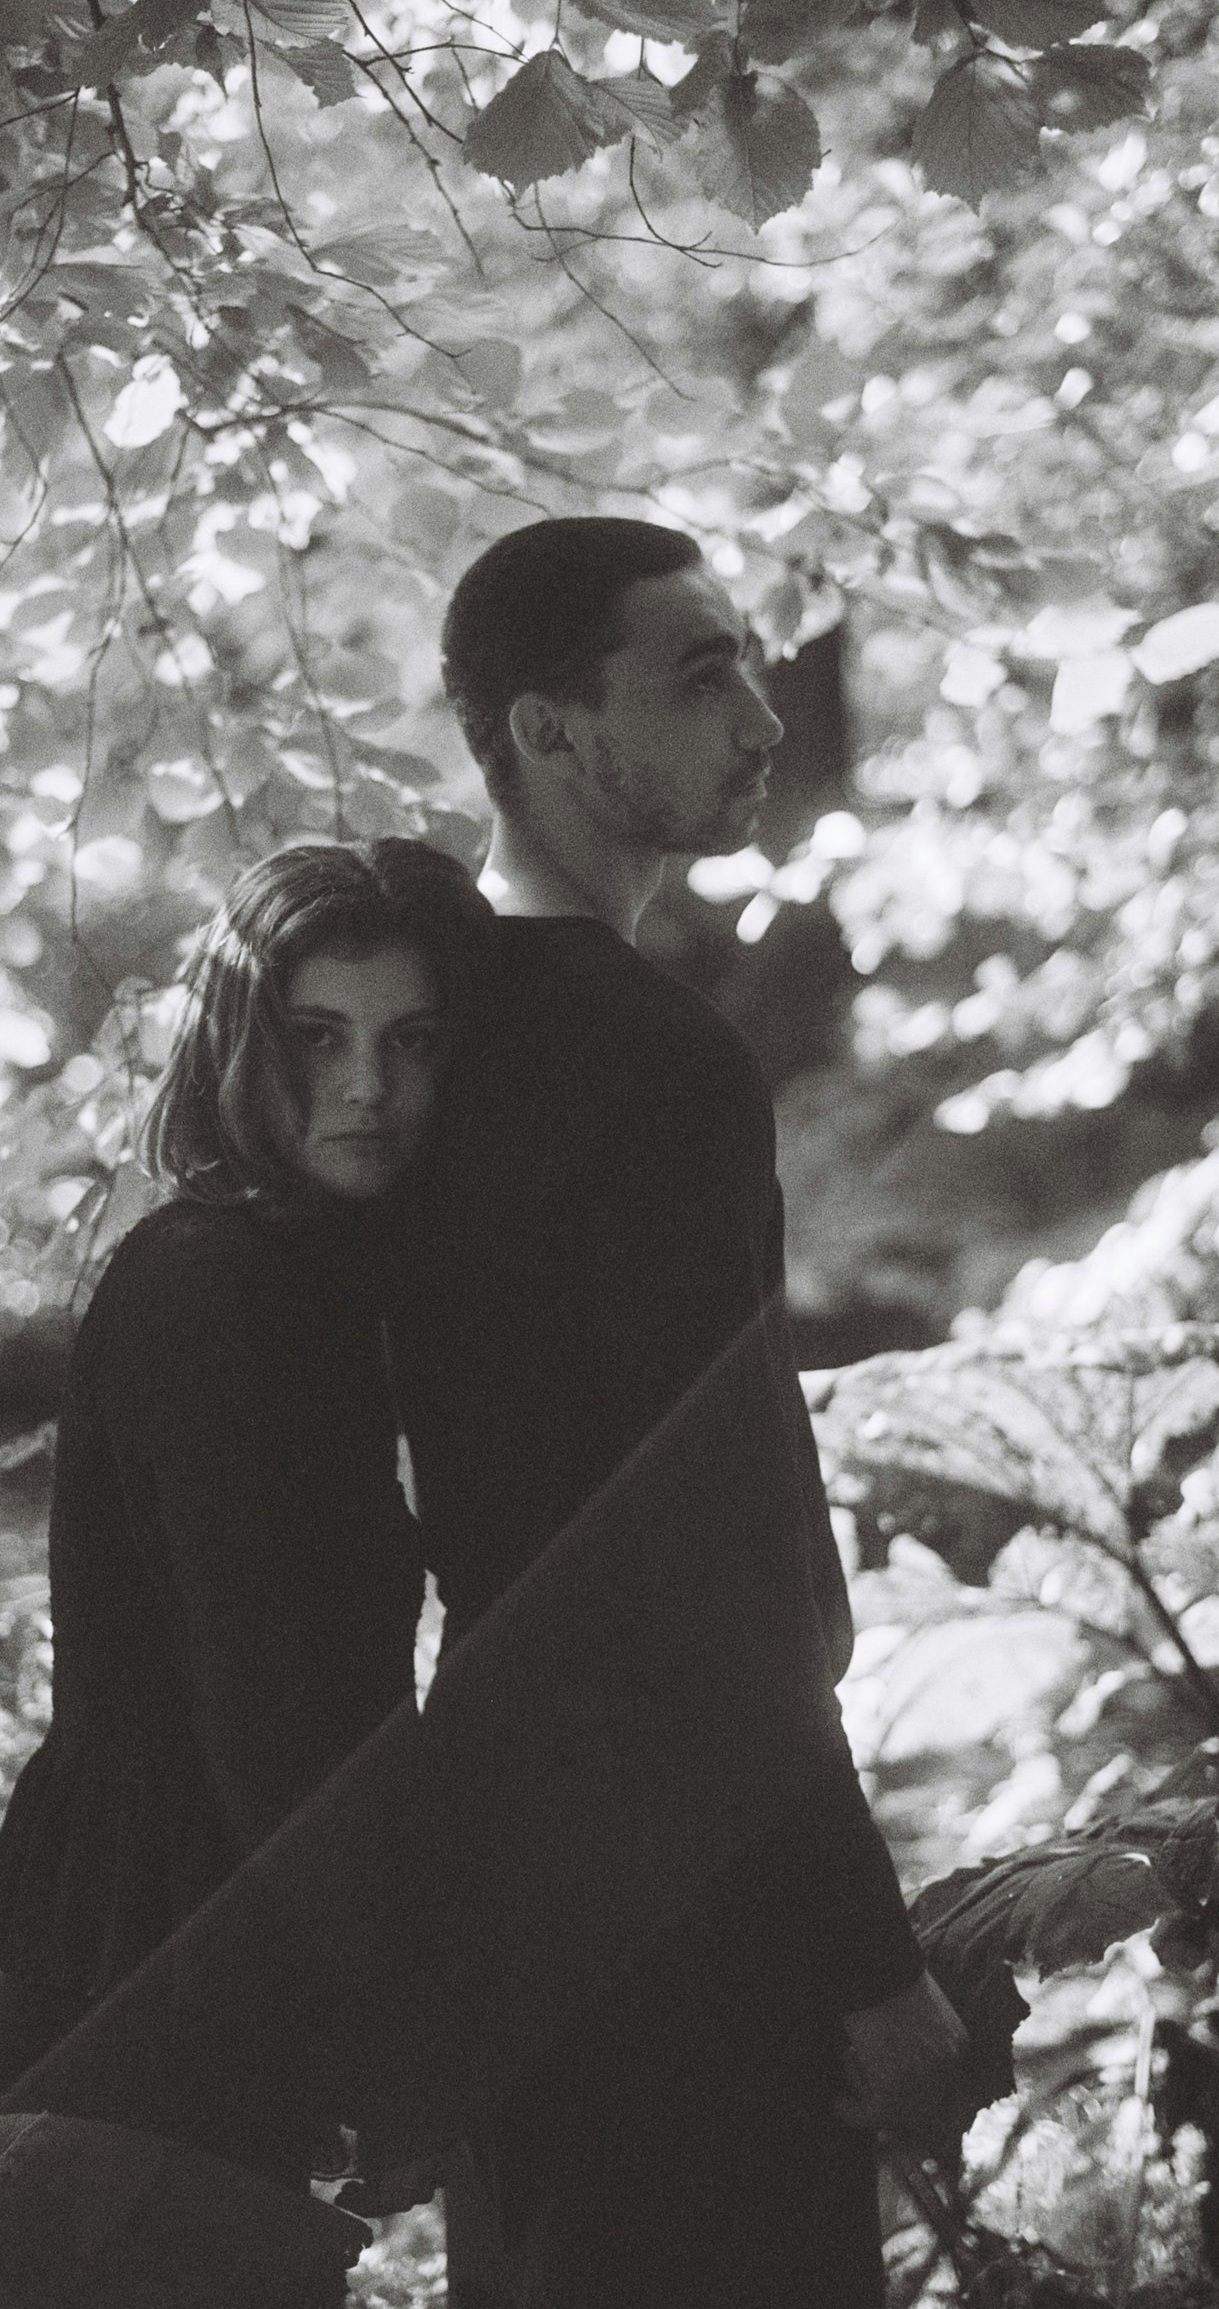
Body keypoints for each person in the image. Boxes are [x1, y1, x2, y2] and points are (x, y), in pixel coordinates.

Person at [390, 518, 968, 2307]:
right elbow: (706, 1560)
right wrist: (865, 1955)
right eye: (701, 671)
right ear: (549, 730)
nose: (765, 716)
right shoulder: (646, 1061)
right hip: (683, 1902)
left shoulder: (427, 1026)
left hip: (499, 1867)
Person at [0, 836, 492, 2188]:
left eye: (411, 1040)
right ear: (242, 1048)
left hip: (205, 1959)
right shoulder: (218, 1294)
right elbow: (274, 1710)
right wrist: (407, 2055)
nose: (368, 1086)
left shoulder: (302, 1273)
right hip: (153, 1986)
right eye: (318, 1039)